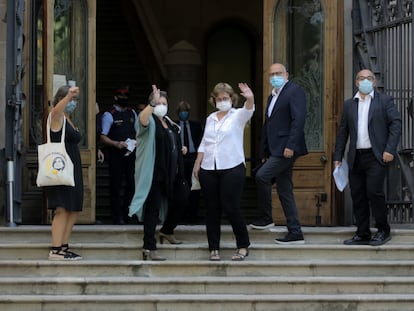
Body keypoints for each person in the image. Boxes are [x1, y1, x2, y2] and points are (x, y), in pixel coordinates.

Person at [334, 69, 401, 246]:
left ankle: (382, 229)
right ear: (356, 82)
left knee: (374, 192)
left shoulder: (384, 101)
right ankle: (362, 233)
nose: (365, 81)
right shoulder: (349, 104)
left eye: (369, 78)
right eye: (361, 78)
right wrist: (337, 156)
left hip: (376, 156)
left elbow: (396, 124)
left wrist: (390, 149)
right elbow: (343, 132)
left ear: (374, 82)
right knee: (357, 195)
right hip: (356, 156)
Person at [193, 82, 254, 261]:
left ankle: (243, 245)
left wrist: (249, 97)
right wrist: (197, 163)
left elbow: (248, 110)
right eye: (219, 99)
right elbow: (205, 142)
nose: (222, 101)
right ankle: (214, 248)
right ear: (214, 100)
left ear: (231, 99)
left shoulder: (237, 116)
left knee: (231, 206)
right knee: (212, 209)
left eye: (225, 98)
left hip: (232, 167)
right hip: (208, 168)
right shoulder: (210, 118)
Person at [250, 63, 308, 245]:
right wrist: (264, 151)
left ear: (286, 74)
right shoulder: (272, 96)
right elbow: (268, 126)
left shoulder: (294, 91)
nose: (275, 76)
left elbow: (298, 120)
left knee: (262, 176)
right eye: (272, 74)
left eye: (278, 73)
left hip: (287, 149)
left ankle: (267, 217)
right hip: (275, 149)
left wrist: (290, 146)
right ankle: (295, 232)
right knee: (284, 189)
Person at [129, 85, 187, 261]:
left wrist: (180, 148)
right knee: (152, 210)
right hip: (154, 173)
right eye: (158, 102)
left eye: (164, 102)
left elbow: (172, 141)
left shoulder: (169, 122)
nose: (161, 105)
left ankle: (167, 230)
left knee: (182, 199)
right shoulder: (149, 120)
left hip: (172, 173)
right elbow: (142, 119)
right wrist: (152, 104)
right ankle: (149, 246)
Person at [46, 85, 83, 260]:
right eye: (71, 100)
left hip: (73, 168)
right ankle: (55, 249)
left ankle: (64, 246)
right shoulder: (57, 116)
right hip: (60, 167)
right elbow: (56, 111)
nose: (73, 103)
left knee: (73, 209)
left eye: (75, 100)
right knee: (62, 208)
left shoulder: (68, 118)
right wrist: (68, 96)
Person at [101, 86, 138, 224]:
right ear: (116, 97)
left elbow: (138, 132)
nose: (124, 99)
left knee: (131, 184)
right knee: (115, 185)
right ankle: (117, 216)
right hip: (116, 154)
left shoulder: (132, 113)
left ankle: (128, 213)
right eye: (121, 96)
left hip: (131, 153)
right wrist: (116, 143)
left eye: (126, 97)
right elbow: (103, 136)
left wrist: (136, 142)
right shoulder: (109, 115)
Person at [176, 101, 203, 224]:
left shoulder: (196, 126)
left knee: (194, 188)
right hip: (180, 160)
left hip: (194, 158)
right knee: (181, 187)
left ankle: (193, 216)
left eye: (186, 111)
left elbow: (202, 142)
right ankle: (181, 215)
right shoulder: (174, 126)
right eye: (182, 111)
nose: (184, 113)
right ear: (178, 113)